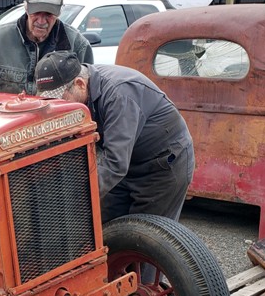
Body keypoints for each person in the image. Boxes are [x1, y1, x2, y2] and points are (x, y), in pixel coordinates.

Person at [35, 51, 194, 223]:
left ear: (80, 84)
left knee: (145, 235)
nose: (55, 107)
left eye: (59, 99)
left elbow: (116, 162)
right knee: (105, 225)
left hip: (163, 165)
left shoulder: (119, 94)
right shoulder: (84, 89)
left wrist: (75, 200)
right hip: (128, 162)